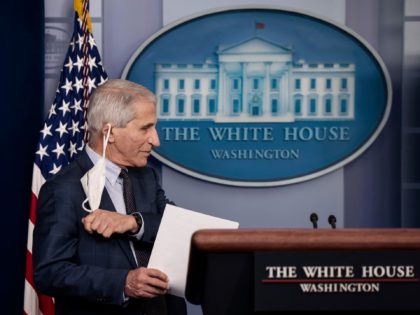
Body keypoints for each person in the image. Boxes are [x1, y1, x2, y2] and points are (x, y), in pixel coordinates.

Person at [33, 79, 187, 315]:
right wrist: (123, 283)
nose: (155, 140)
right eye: (145, 128)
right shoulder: (62, 189)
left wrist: (134, 222)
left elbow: (177, 225)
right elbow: (50, 272)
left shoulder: (147, 176)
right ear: (110, 132)